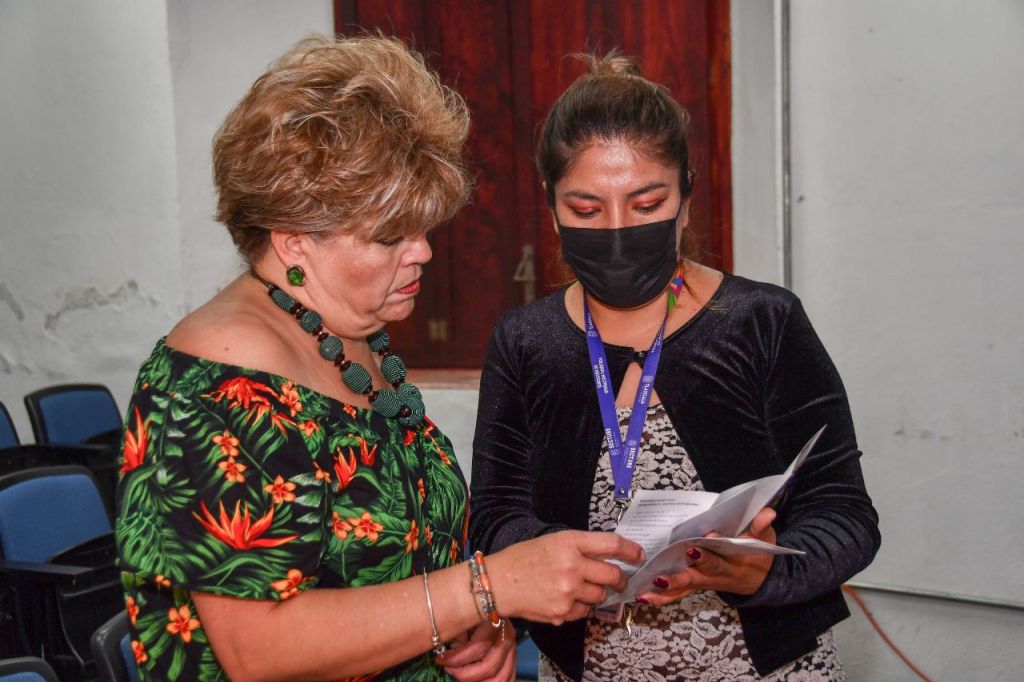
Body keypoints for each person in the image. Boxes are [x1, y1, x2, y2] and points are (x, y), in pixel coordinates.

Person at [114, 35, 644, 682]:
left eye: (421, 228)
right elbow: (257, 649)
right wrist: (487, 587)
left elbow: (400, 569)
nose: (423, 252)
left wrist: (482, 623)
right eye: (390, 235)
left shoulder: (345, 335)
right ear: (294, 240)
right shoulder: (223, 381)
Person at [468, 52, 881, 681]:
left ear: (686, 198)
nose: (617, 230)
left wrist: (767, 572)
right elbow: (496, 514)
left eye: (646, 203)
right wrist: (554, 557)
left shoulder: (763, 322)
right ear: (551, 210)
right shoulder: (526, 342)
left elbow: (846, 515)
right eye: (586, 211)